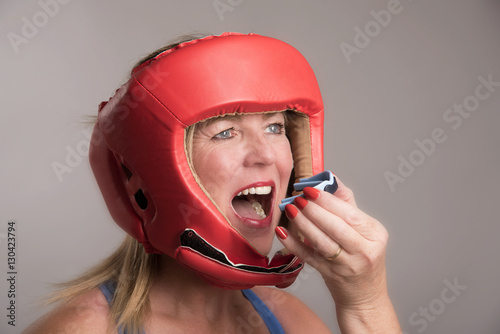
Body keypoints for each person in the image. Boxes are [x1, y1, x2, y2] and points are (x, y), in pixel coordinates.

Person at [23, 32, 401, 333]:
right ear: (151, 175)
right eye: (225, 133)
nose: (266, 155)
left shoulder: (287, 320)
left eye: (275, 127)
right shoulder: (82, 329)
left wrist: (365, 304)